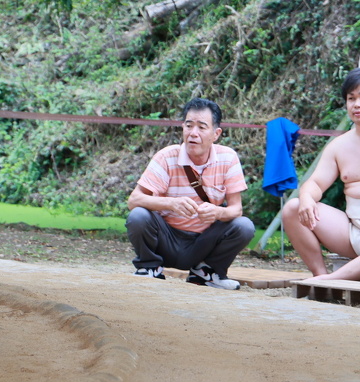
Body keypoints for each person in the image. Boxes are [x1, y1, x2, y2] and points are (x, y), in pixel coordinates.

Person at [125, 98, 255, 290]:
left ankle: (206, 273)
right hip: (167, 239)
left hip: (204, 242)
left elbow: (236, 209)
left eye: (201, 127)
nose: (193, 133)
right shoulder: (166, 156)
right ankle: (149, 267)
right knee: (138, 215)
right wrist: (171, 203)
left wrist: (218, 212)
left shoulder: (228, 158)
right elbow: (134, 200)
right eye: (189, 126)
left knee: (244, 226)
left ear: (216, 134)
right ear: (182, 128)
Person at [282, 68, 360, 279]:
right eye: (351, 98)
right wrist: (307, 197)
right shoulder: (339, 146)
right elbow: (315, 183)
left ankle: (329, 281)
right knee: (293, 208)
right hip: (353, 232)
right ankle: (321, 277)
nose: (357, 104)